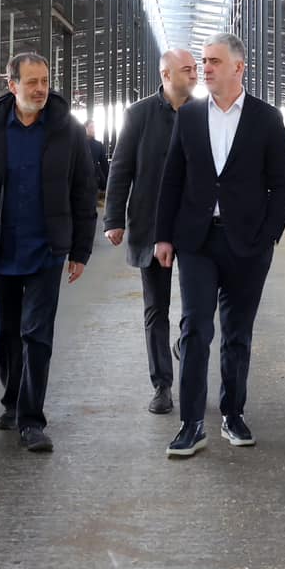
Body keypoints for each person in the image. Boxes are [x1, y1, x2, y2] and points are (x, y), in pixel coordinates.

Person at [153, 33, 285, 458]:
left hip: (248, 243)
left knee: (237, 333)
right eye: (204, 61)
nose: (206, 68)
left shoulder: (266, 118)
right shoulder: (190, 115)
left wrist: (269, 234)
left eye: (214, 61)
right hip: (197, 240)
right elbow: (172, 178)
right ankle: (191, 423)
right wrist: (163, 235)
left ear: (238, 67)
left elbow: (282, 183)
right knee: (196, 328)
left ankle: (233, 413)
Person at [0, 52, 97, 453]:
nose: (40, 89)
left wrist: (80, 250)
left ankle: (32, 420)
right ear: (12, 85)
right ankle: (12, 400)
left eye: (44, 81)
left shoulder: (67, 130)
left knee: (36, 335)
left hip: (46, 249)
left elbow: (84, 190)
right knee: (4, 334)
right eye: (32, 81)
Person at [104, 49, 199, 415]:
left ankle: (185, 344)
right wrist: (113, 219)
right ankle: (162, 385)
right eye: (187, 69)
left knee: (198, 308)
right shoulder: (139, 115)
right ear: (166, 75)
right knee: (156, 308)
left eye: (196, 68)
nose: (195, 74)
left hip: (194, 226)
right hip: (152, 224)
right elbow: (121, 168)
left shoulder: (204, 113)